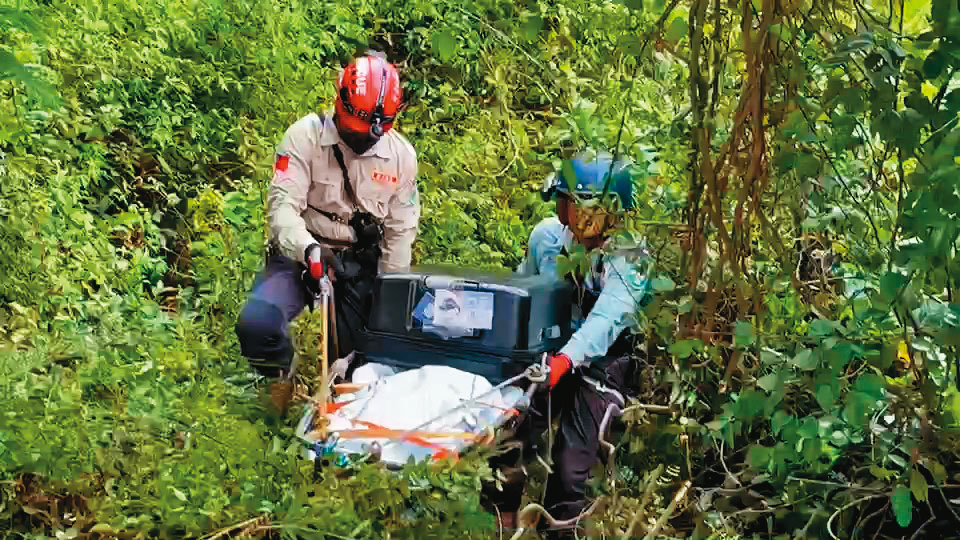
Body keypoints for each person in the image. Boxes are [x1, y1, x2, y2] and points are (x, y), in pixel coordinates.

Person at [487, 152, 651, 536]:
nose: (568, 212)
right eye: (566, 203)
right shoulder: (546, 239)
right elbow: (523, 292)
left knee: (572, 466)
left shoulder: (631, 257)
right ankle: (499, 519)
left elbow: (607, 319)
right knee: (510, 423)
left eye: (576, 204)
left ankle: (560, 530)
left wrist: (565, 361)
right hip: (549, 349)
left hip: (605, 362)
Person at [235, 51, 420, 380]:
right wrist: (309, 250)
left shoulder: (401, 157)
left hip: (358, 262)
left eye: (370, 136)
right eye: (355, 131)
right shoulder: (303, 138)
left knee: (363, 365)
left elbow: (400, 233)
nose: (361, 141)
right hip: (300, 252)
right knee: (258, 325)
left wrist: (391, 298)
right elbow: (282, 209)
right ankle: (279, 377)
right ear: (339, 103)